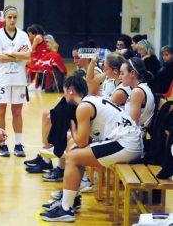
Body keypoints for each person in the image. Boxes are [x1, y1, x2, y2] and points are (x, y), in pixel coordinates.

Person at [40, 75, 142, 222]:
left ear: (70, 90)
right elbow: (83, 141)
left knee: (73, 157)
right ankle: (71, 199)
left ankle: (66, 209)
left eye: (63, 91)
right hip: (128, 140)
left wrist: (73, 128)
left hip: (126, 144)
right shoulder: (91, 100)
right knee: (74, 152)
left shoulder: (83, 107)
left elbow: (81, 142)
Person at [0, 5, 31, 157]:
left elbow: (27, 55)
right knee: (1, 110)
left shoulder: (22, 35)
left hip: (19, 79)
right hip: (2, 78)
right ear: (4, 18)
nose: (12, 20)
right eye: (10, 17)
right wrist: (17, 54)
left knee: (17, 112)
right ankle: (2, 143)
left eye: (15, 17)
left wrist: (8, 53)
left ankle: (19, 144)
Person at [119, 57, 155, 137]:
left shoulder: (137, 92)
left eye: (122, 73)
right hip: (134, 136)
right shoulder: (143, 88)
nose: (119, 77)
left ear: (132, 73)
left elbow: (132, 125)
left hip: (133, 140)